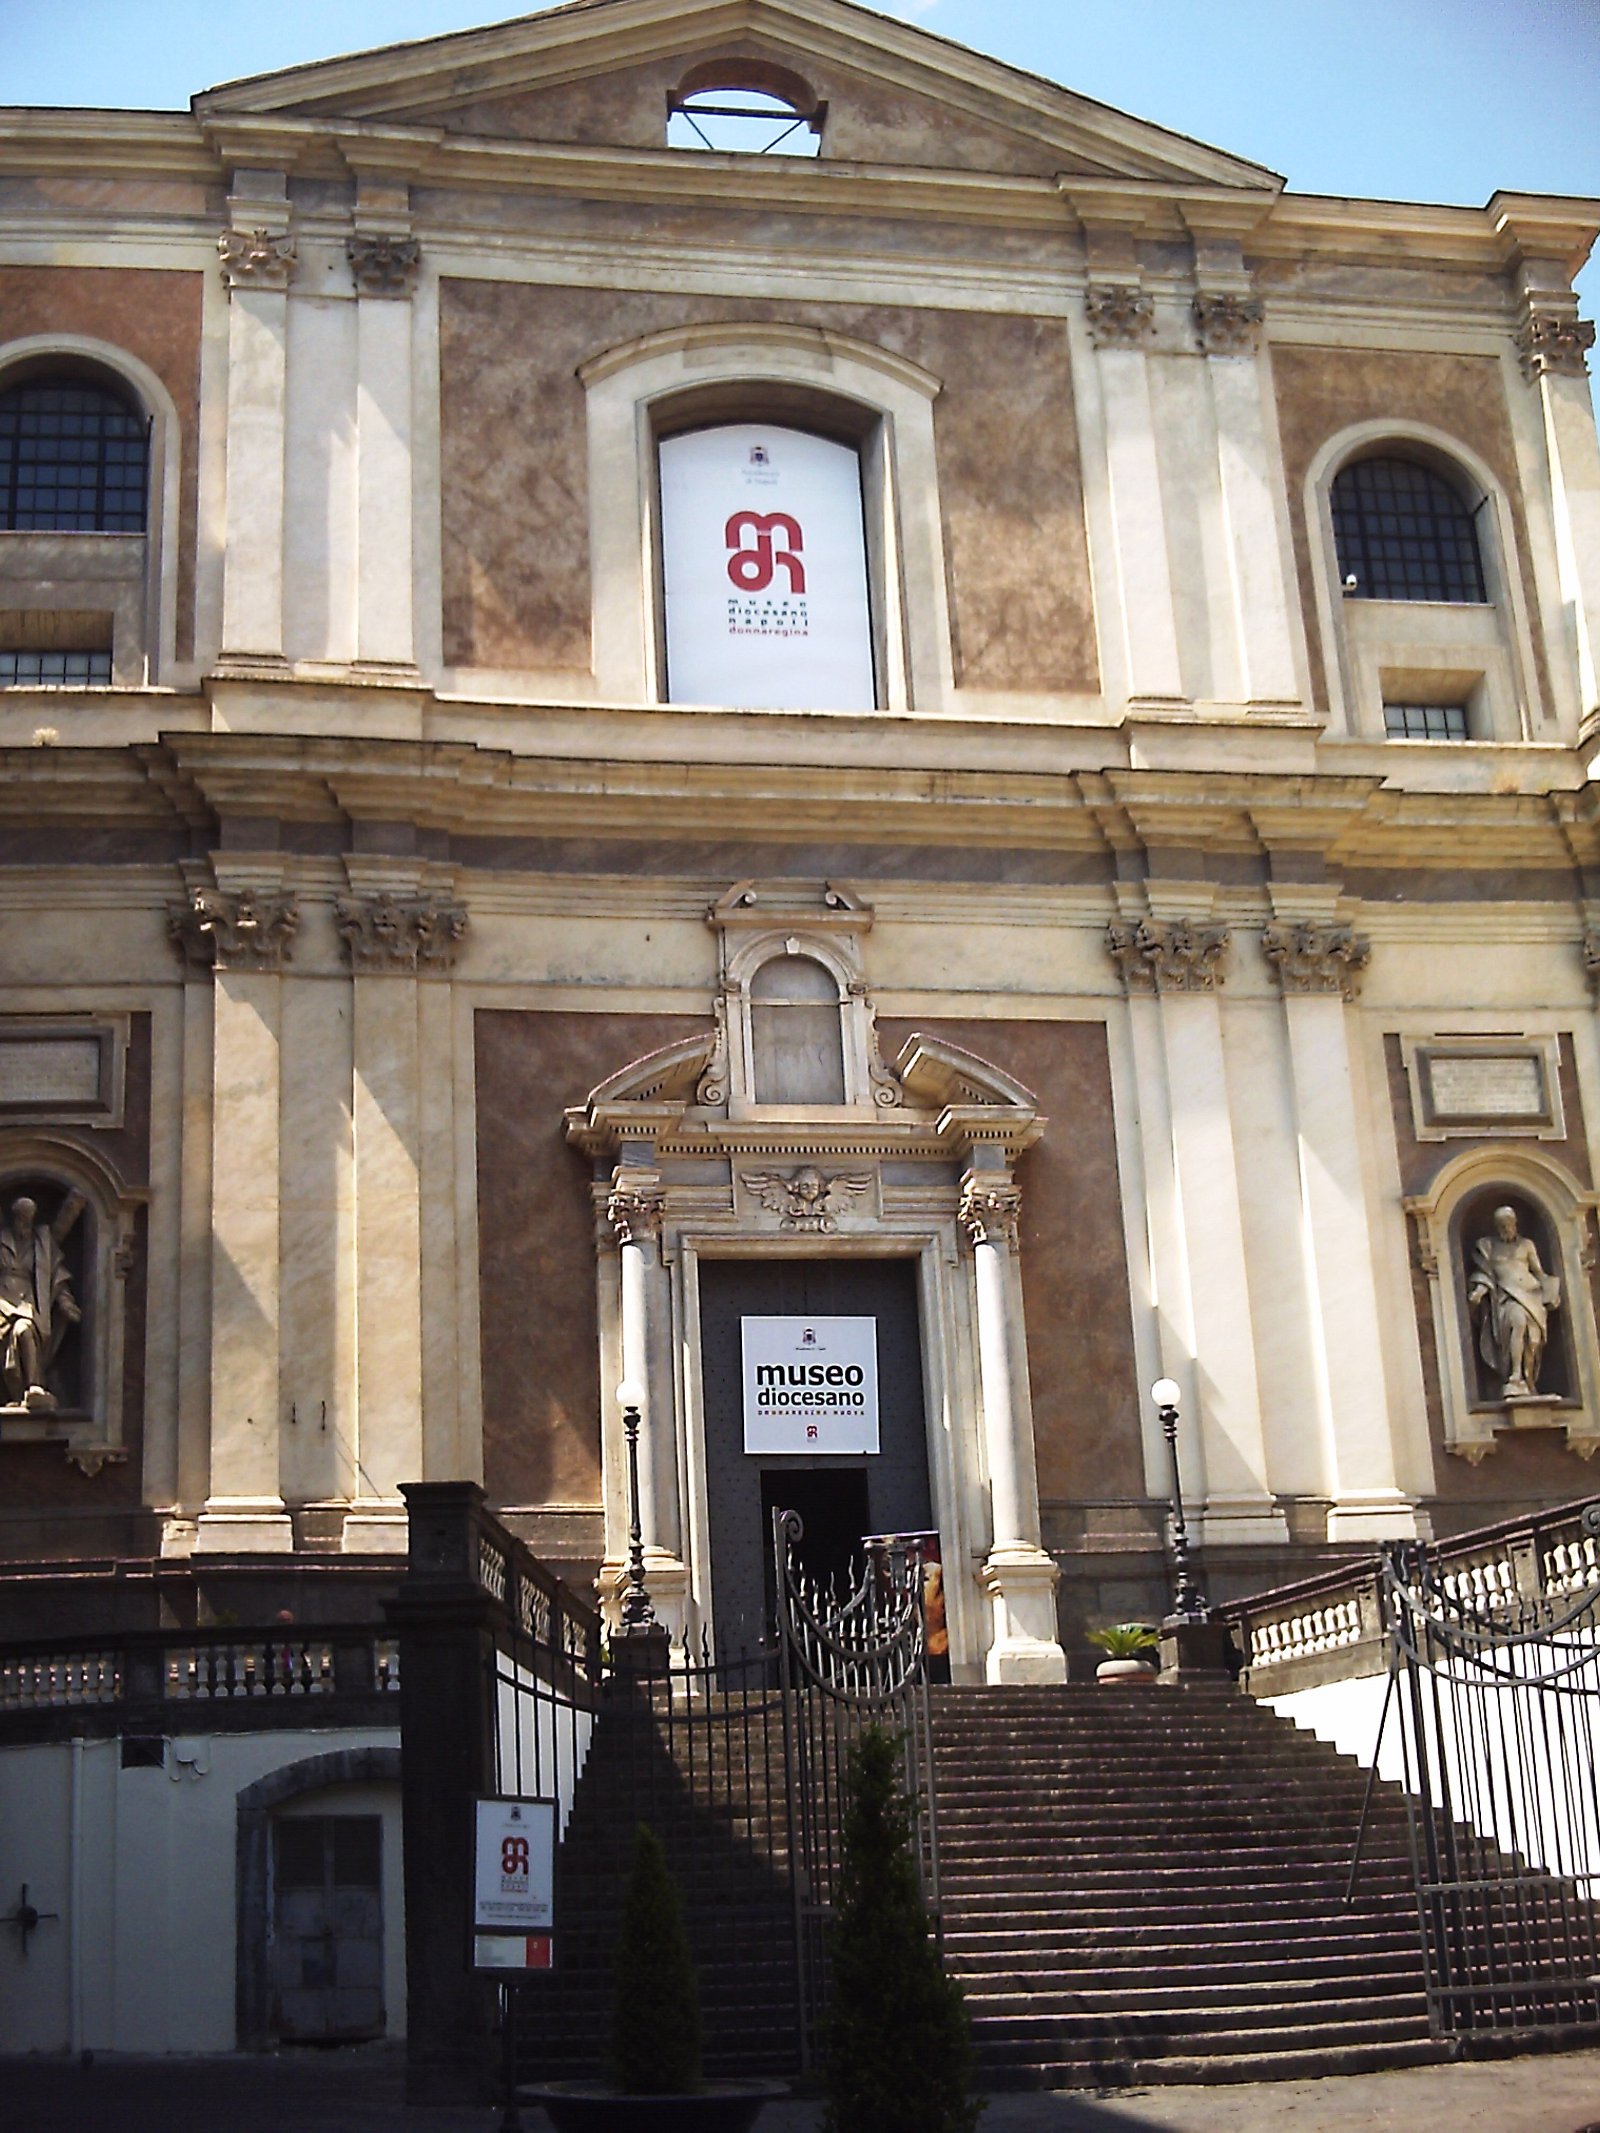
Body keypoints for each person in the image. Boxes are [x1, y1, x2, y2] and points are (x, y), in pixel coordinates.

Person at [1467, 1204, 1560, 1400]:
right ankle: (1515, 1375)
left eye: (1509, 1223)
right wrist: (1479, 1291)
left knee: (1532, 1339)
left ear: (1515, 1223)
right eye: (1502, 1224)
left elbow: (1539, 1272)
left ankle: (1527, 1378)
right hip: (1506, 1298)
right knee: (1518, 1324)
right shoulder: (1489, 1246)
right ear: (1496, 1226)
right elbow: (1486, 1275)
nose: (1507, 1228)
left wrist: (1551, 1291)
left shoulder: (1526, 1245)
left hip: (1530, 1295)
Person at [0, 1194, 81, 1413]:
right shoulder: (2, 1241)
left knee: (24, 1329)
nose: (24, 1223)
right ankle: (19, 1392)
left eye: (28, 1219)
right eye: (20, 1218)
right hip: (2, 1302)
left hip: (27, 1301)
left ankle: (32, 1387)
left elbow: (56, 1276)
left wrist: (65, 1302)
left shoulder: (41, 1245)